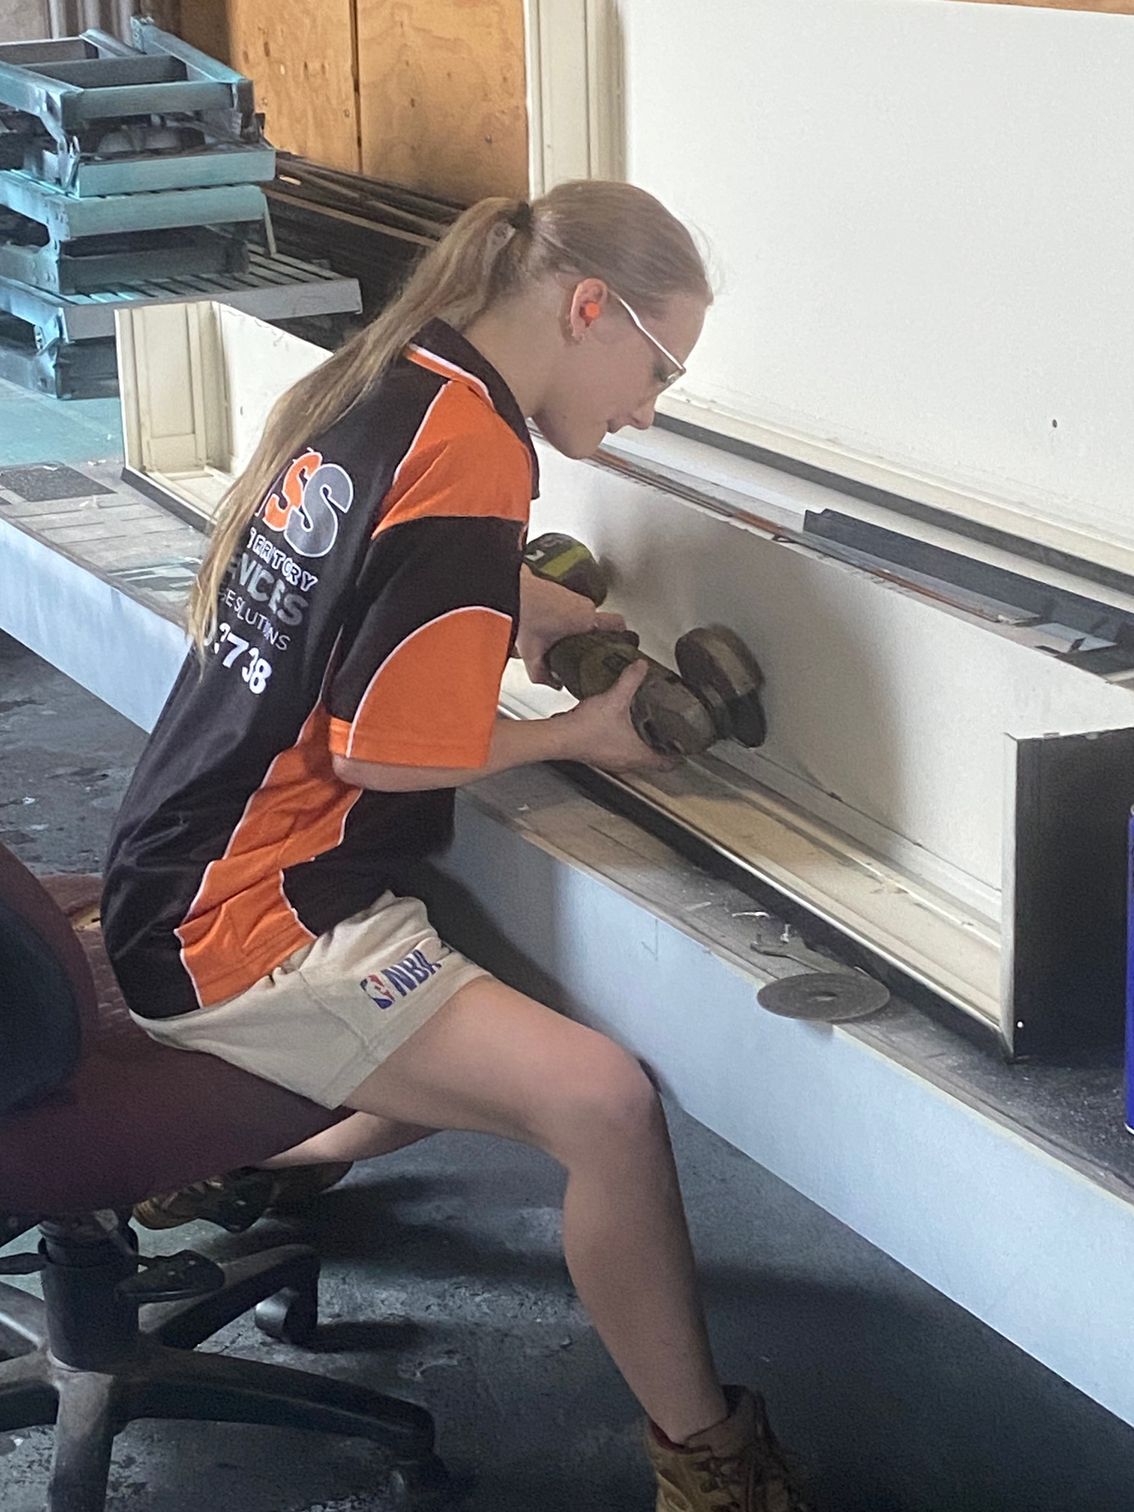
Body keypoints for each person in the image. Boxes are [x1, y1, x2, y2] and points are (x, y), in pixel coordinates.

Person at [101, 179, 809, 1512]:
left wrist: (529, 610)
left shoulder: (396, 389)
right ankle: (711, 1468)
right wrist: (579, 738)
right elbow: (383, 752)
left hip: (176, 863)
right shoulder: (474, 453)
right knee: (599, 1104)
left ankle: (252, 1166)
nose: (649, 408)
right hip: (241, 930)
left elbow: (388, 574)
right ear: (586, 308)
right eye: (656, 369)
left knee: (501, 1008)